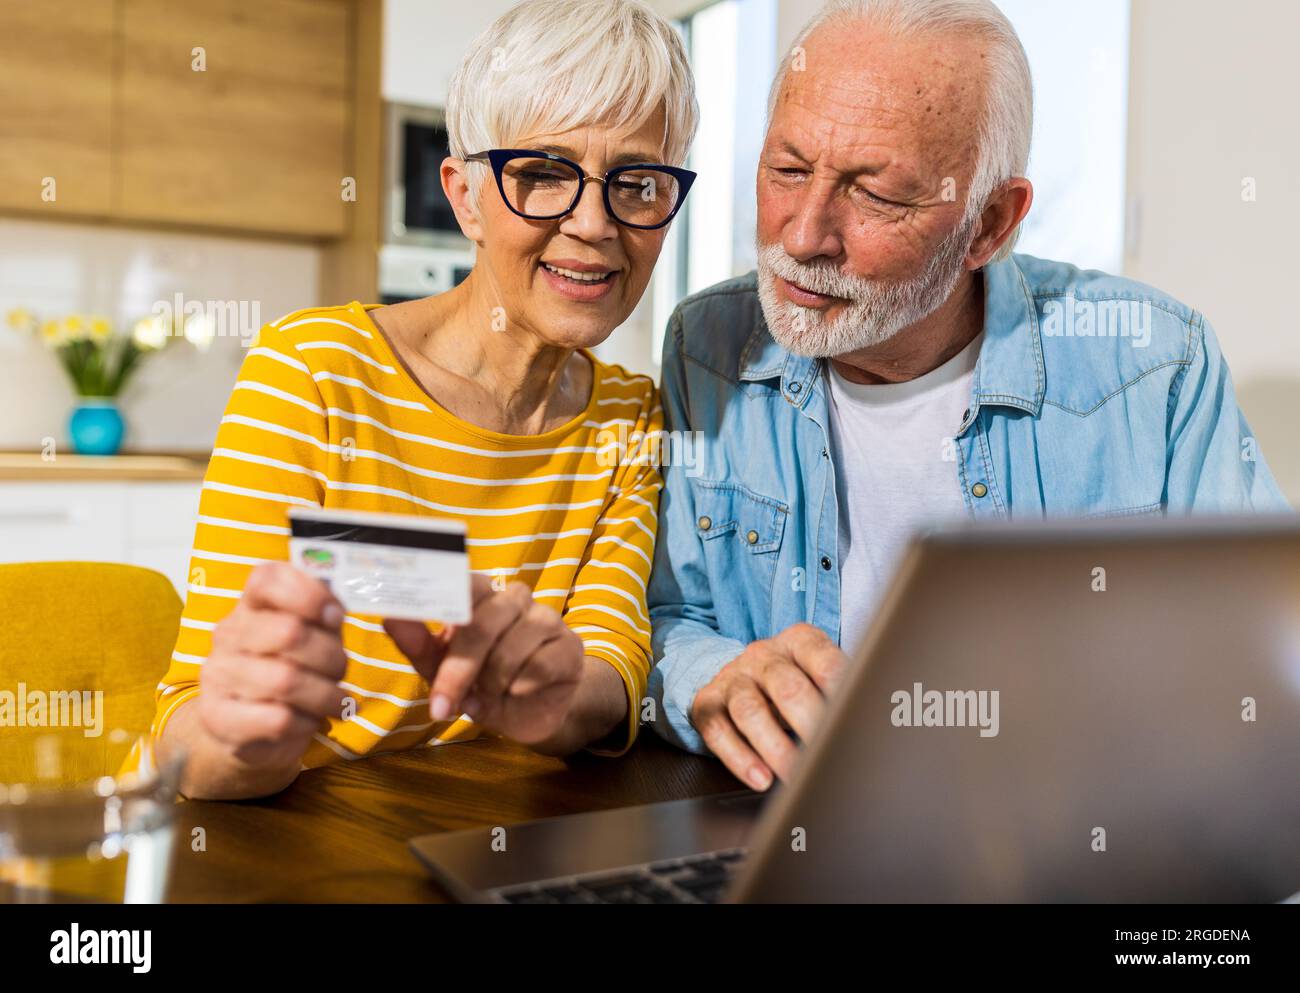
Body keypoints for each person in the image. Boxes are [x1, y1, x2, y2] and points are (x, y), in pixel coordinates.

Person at [647, 0, 1290, 791]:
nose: (802, 234)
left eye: (874, 195)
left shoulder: (1157, 365)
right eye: (786, 169)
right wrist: (712, 675)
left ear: (989, 223)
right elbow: (667, 618)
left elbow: (1263, 674)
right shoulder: (704, 345)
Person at [132, 0, 699, 800]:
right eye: (542, 174)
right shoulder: (314, 372)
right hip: (267, 838)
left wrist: (554, 691)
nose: (594, 223)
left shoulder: (629, 416)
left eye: (636, 183)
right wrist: (250, 736)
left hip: (461, 841)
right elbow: (193, 722)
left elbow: (607, 668)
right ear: (465, 195)